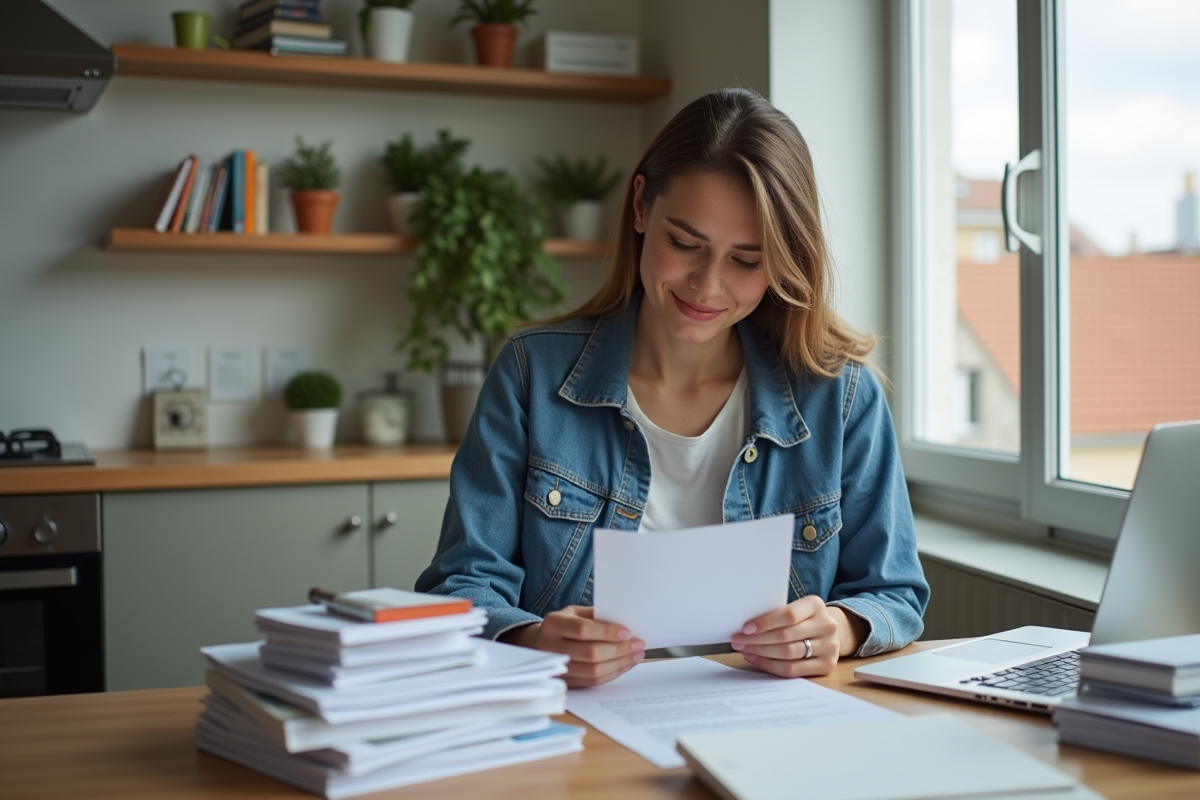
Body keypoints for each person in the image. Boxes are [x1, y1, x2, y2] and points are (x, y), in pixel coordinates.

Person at [416, 88, 929, 688]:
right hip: (584, 726)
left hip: (772, 721)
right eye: (684, 244)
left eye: (746, 260)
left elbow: (893, 593)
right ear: (640, 206)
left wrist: (837, 629)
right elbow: (461, 584)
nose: (707, 286)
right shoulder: (532, 373)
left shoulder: (841, 397)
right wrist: (531, 638)